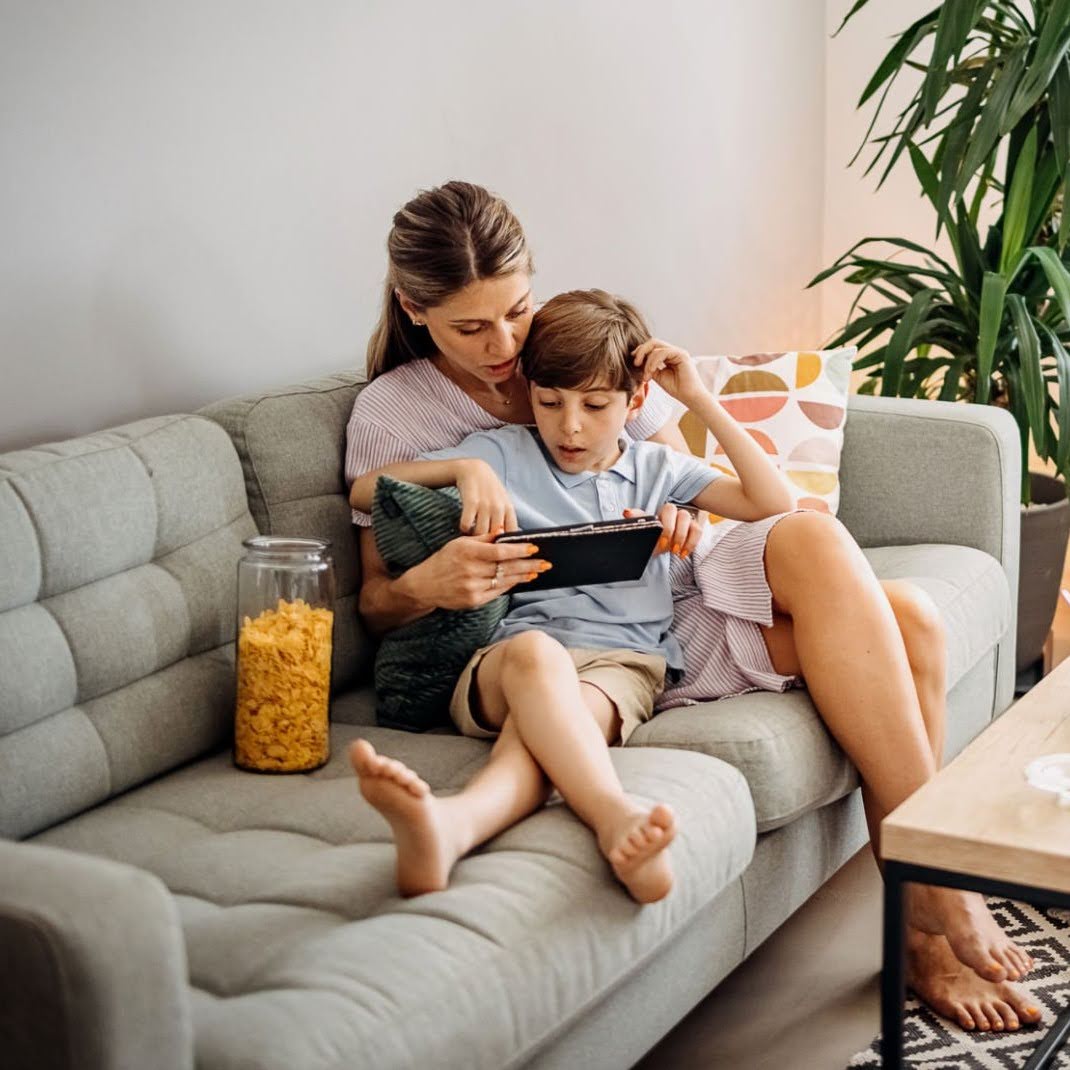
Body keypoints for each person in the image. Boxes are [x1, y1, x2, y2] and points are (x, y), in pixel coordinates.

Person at [346, 181, 1039, 1030]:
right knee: (893, 621)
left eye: (515, 311)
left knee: (899, 607)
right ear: (416, 311)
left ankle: (923, 905)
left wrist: (682, 507)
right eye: (470, 328)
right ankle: (934, 906)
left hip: (669, 588)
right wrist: (430, 577)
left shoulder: (564, 349)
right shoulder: (399, 413)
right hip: (569, 636)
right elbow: (376, 602)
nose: (505, 346)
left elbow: (690, 478)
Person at [348, 289, 797, 903]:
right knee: (537, 655)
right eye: (549, 402)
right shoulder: (501, 452)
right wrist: (462, 471)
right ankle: (616, 817)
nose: (570, 425)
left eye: (594, 404)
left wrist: (696, 398)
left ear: (635, 400)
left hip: (621, 665)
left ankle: (452, 826)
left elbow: (775, 505)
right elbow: (364, 490)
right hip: (507, 659)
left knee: (555, 729)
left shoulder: (658, 468)